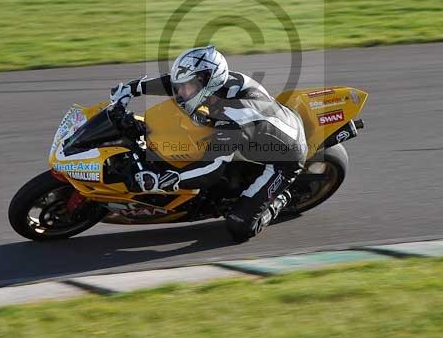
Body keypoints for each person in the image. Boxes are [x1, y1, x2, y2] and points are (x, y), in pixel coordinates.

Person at [109, 45, 307, 242]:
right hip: (257, 133)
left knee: (239, 226)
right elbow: (174, 82)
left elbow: (211, 169)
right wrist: (132, 89)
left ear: (207, 82)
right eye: (181, 86)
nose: (180, 92)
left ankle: (280, 199)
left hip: (283, 159)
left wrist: (166, 180)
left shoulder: (234, 116)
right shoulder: (218, 83)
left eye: (186, 86)